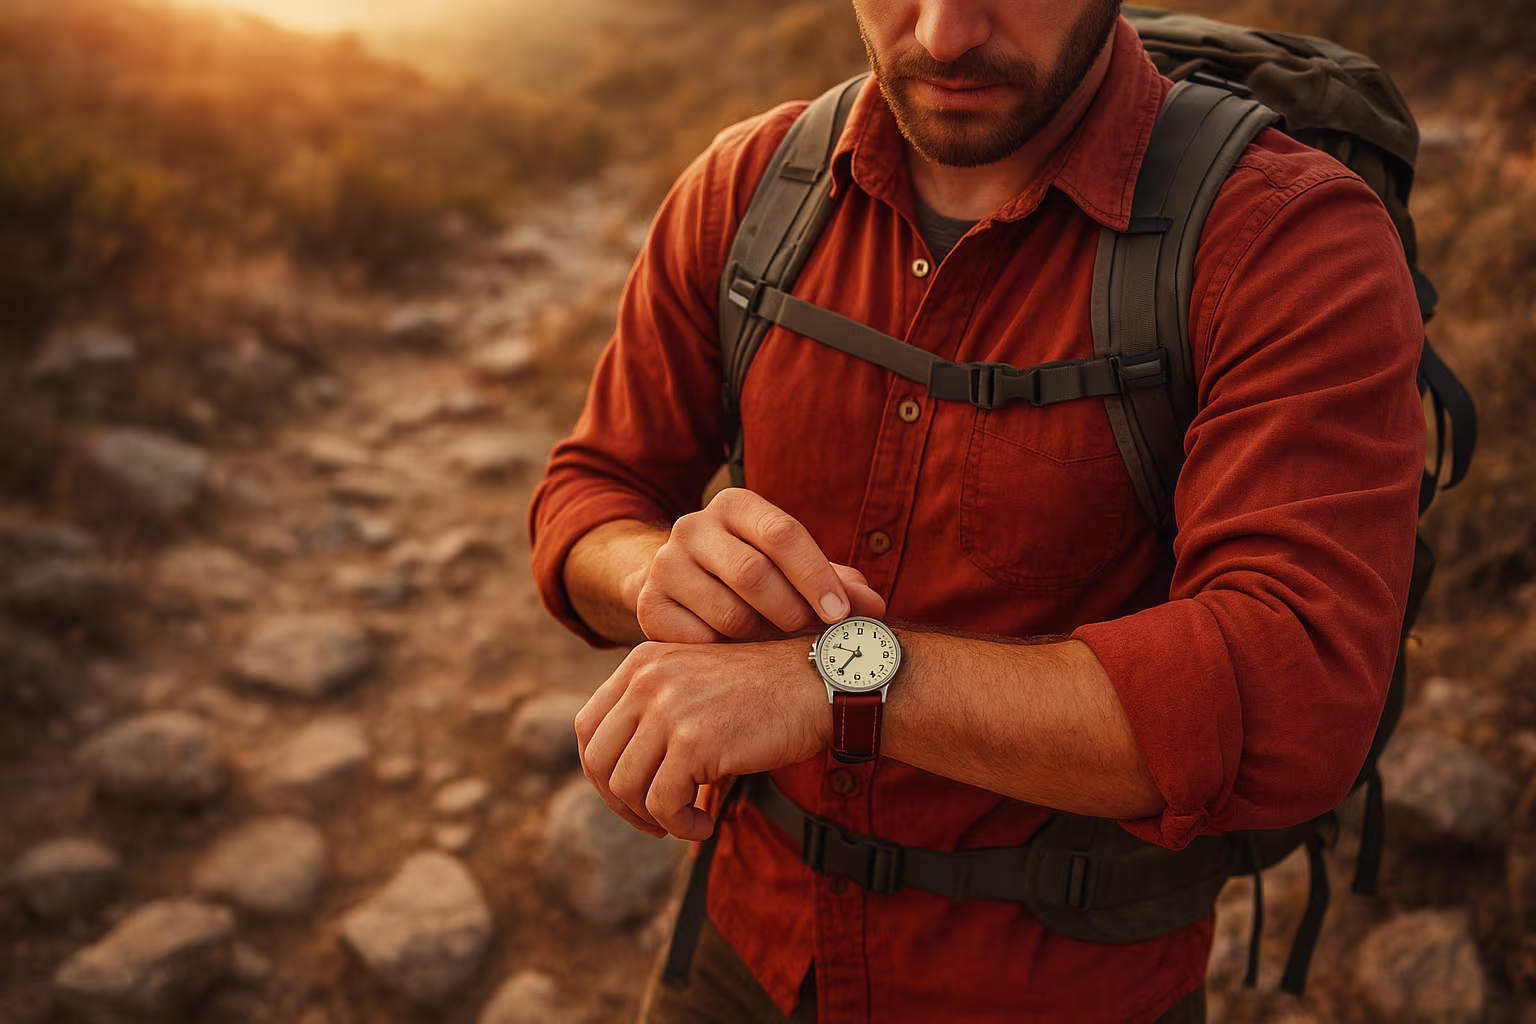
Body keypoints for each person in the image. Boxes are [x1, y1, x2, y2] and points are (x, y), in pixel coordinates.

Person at [528, 1, 1425, 1020]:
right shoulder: (747, 186)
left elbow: (1294, 695)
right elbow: (588, 492)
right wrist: (654, 574)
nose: (945, 34)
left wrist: (837, 680)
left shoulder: (1285, 238)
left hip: (1063, 992)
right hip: (747, 943)